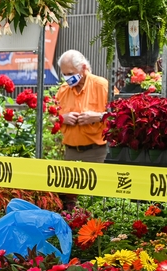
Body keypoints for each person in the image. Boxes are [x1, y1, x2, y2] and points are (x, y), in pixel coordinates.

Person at [55, 49, 109, 208]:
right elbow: (49, 117)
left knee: (94, 199)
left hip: (96, 152)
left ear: (83, 68)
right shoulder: (63, 90)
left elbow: (118, 114)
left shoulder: (101, 85)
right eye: (64, 74)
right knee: (70, 199)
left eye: (70, 73)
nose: (67, 78)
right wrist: (62, 118)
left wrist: (98, 116)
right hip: (69, 152)